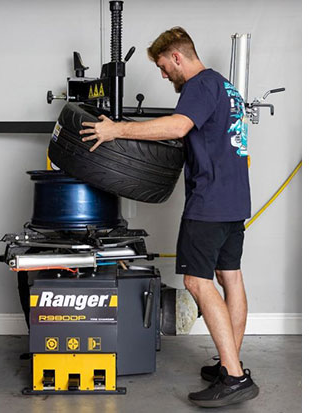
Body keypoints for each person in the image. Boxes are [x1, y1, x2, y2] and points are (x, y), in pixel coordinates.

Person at [79, 26, 259, 408]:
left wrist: (116, 131)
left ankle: (234, 377)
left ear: (177, 57)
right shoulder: (225, 86)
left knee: (197, 282)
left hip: (209, 202)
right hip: (235, 198)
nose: (163, 75)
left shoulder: (198, 85)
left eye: (163, 66)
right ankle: (231, 363)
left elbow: (178, 126)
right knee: (230, 277)